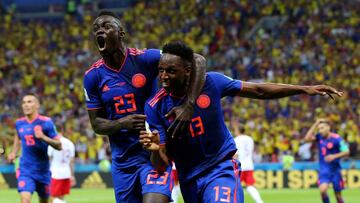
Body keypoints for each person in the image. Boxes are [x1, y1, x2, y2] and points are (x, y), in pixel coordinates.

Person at [139, 41, 342, 203]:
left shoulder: (211, 82)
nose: (164, 77)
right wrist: (155, 149)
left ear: (188, 71)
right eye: (161, 70)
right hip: (188, 179)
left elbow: (259, 90)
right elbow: (161, 164)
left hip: (220, 168)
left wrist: (302, 89)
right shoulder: (154, 106)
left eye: (171, 71)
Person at [83, 10, 206, 203]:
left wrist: (189, 105)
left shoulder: (144, 59)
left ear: (121, 33)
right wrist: (122, 123)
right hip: (123, 162)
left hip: (155, 152)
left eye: (107, 27)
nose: (100, 31)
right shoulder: (92, 76)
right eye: (96, 28)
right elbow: (96, 124)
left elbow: (197, 60)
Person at [7, 94, 62, 203]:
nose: (26, 105)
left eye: (29, 102)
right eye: (24, 102)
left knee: (45, 201)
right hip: (26, 170)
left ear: (37, 105)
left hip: (43, 171)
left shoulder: (46, 122)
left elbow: (59, 145)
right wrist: (13, 152)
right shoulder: (19, 123)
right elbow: (18, 137)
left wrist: (43, 137)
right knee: (25, 199)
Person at [304, 119, 349, 203]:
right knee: (323, 190)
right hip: (324, 170)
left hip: (335, 170)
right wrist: (315, 123)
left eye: (322, 128)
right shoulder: (319, 137)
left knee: (338, 196)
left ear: (328, 127)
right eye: (319, 129)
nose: (320, 131)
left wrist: (334, 156)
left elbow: (346, 151)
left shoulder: (337, 139)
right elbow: (306, 138)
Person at [233, 124, 264, 203]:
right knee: (250, 186)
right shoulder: (250, 139)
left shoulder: (236, 139)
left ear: (238, 131)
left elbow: (236, 154)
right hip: (249, 165)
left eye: (235, 130)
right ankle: (259, 201)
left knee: (235, 186)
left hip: (240, 166)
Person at [48, 128, 75, 203]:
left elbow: (49, 158)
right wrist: (72, 175)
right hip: (66, 173)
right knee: (61, 197)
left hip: (55, 173)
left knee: (52, 198)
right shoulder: (70, 143)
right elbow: (72, 161)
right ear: (62, 131)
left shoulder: (53, 142)